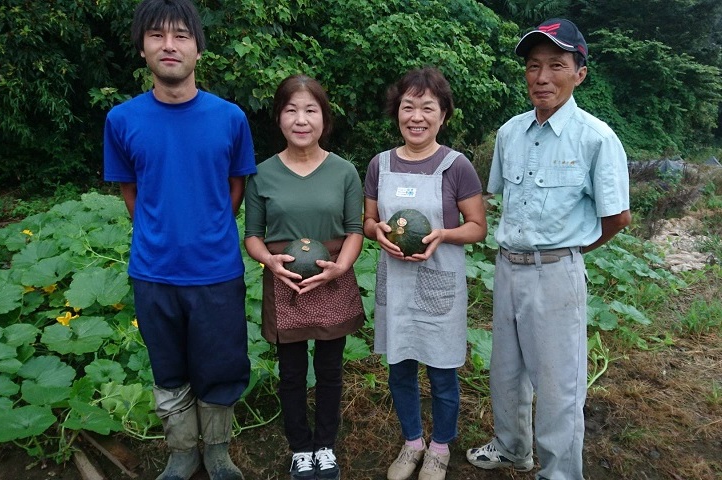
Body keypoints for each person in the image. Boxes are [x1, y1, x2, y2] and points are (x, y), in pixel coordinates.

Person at [466, 18, 631, 480]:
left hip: (556, 273)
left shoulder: (596, 138)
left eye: (556, 65)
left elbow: (617, 218)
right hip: (507, 268)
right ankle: (512, 447)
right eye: (533, 66)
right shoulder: (510, 133)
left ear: (579, 73)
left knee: (559, 385)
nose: (542, 77)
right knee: (505, 371)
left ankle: (559, 472)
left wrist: (569, 255)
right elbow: (500, 197)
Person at [103, 0, 256, 479]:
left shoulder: (230, 117)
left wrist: (208, 228)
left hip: (216, 270)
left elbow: (236, 186)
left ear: (198, 49)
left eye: (181, 35)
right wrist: (161, 231)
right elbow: (131, 191)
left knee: (221, 364)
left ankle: (216, 451)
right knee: (167, 366)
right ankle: (182, 451)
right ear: (143, 49)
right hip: (153, 270)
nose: (169, 45)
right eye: (157, 35)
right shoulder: (122, 120)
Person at [363, 67, 488, 480]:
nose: (416, 117)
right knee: (399, 368)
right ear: (396, 112)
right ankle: (412, 442)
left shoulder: (456, 166)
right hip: (395, 284)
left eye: (427, 108)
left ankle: (439, 448)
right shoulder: (379, 165)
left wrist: (442, 234)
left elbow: (477, 226)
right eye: (407, 107)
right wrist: (376, 231)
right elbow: (368, 222)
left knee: (441, 372)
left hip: (439, 283)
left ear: (443, 115)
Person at [243, 74, 365, 480]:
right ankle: (300, 447)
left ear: (324, 118)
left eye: (311, 110)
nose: (301, 119)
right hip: (286, 281)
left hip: (332, 276)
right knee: (291, 371)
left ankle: (325, 445)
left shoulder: (345, 171)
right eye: (291, 110)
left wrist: (342, 267)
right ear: (278, 117)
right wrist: (269, 262)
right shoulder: (261, 174)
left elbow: (355, 230)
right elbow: (253, 236)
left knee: (330, 370)